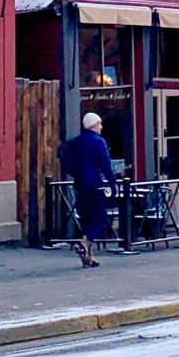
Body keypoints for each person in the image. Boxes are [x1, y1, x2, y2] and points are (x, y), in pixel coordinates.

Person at [61, 111, 116, 268]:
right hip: (94, 184)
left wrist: (76, 174)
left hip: (80, 184)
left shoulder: (75, 142)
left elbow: (66, 163)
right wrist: (112, 183)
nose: (101, 126)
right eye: (99, 123)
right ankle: (84, 243)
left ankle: (89, 256)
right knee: (99, 218)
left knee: (86, 219)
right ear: (93, 125)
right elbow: (105, 164)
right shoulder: (99, 142)